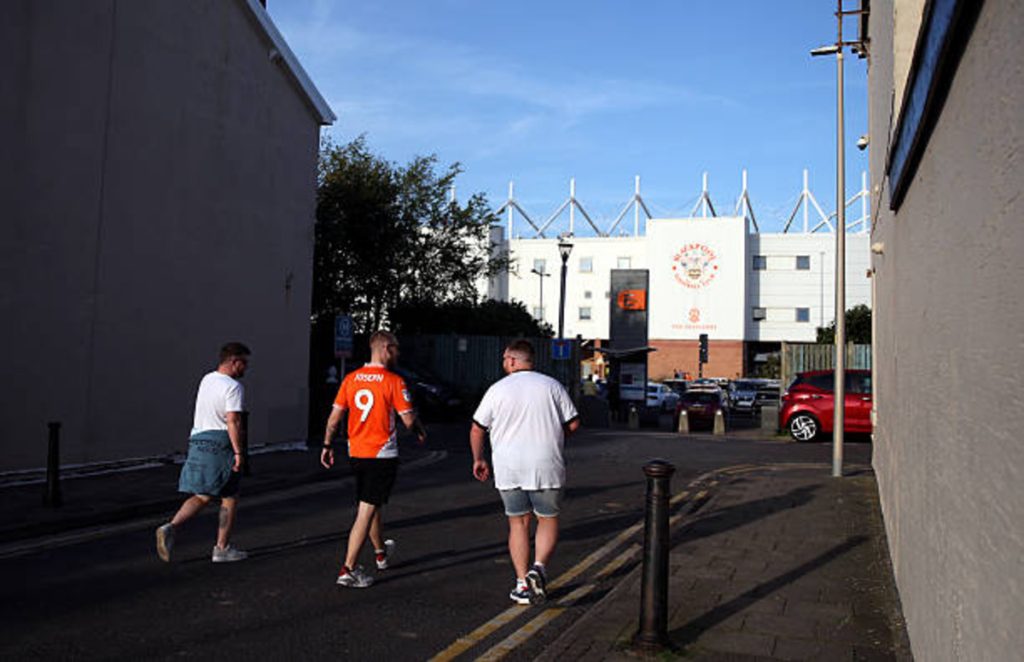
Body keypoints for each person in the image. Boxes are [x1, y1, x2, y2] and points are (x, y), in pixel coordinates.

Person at [470, 339, 580, 604]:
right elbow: (574, 423)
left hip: (509, 466)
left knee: (518, 523)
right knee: (547, 519)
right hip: (546, 463)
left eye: (504, 359)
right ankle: (538, 568)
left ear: (511, 360)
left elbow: (477, 428)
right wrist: (556, 435)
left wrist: (478, 459)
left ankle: (521, 584)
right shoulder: (552, 386)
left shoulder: (497, 390)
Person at [322, 330, 427, 588]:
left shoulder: (351, 379)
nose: (398, 354)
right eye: (396, 349)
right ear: (385, 348)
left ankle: (381, 553)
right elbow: (409, 419)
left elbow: (334, 418)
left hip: (356, 452)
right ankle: (348, 568)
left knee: (371, 505)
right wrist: (420, 429)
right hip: (382, 455)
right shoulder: (393, 381)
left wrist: (326, 444)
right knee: (366, 510)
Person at [156, 342, 251, 563]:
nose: (246, 368)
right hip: (221, 442)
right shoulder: (233, 386)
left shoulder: (207, 379)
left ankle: (172, 527)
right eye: (244, 363)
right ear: (234, 361)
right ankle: (221, 547)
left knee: (204, 493)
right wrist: (238, 452)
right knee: (230, 496)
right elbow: (233, 420)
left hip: (198, 439)